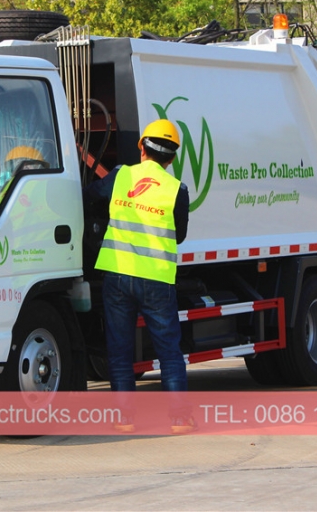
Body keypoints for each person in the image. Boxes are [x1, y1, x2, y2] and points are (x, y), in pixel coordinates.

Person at [83, 119, 195, 434]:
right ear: (171, 157)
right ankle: (179, 420)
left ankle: (124, 418)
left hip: (118, 276)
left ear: (141, 147)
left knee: (119, 349)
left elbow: (89, 196)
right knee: (168, 350)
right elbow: (180, 235)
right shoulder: (177, 190)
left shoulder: (120, 176)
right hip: (157, 280)